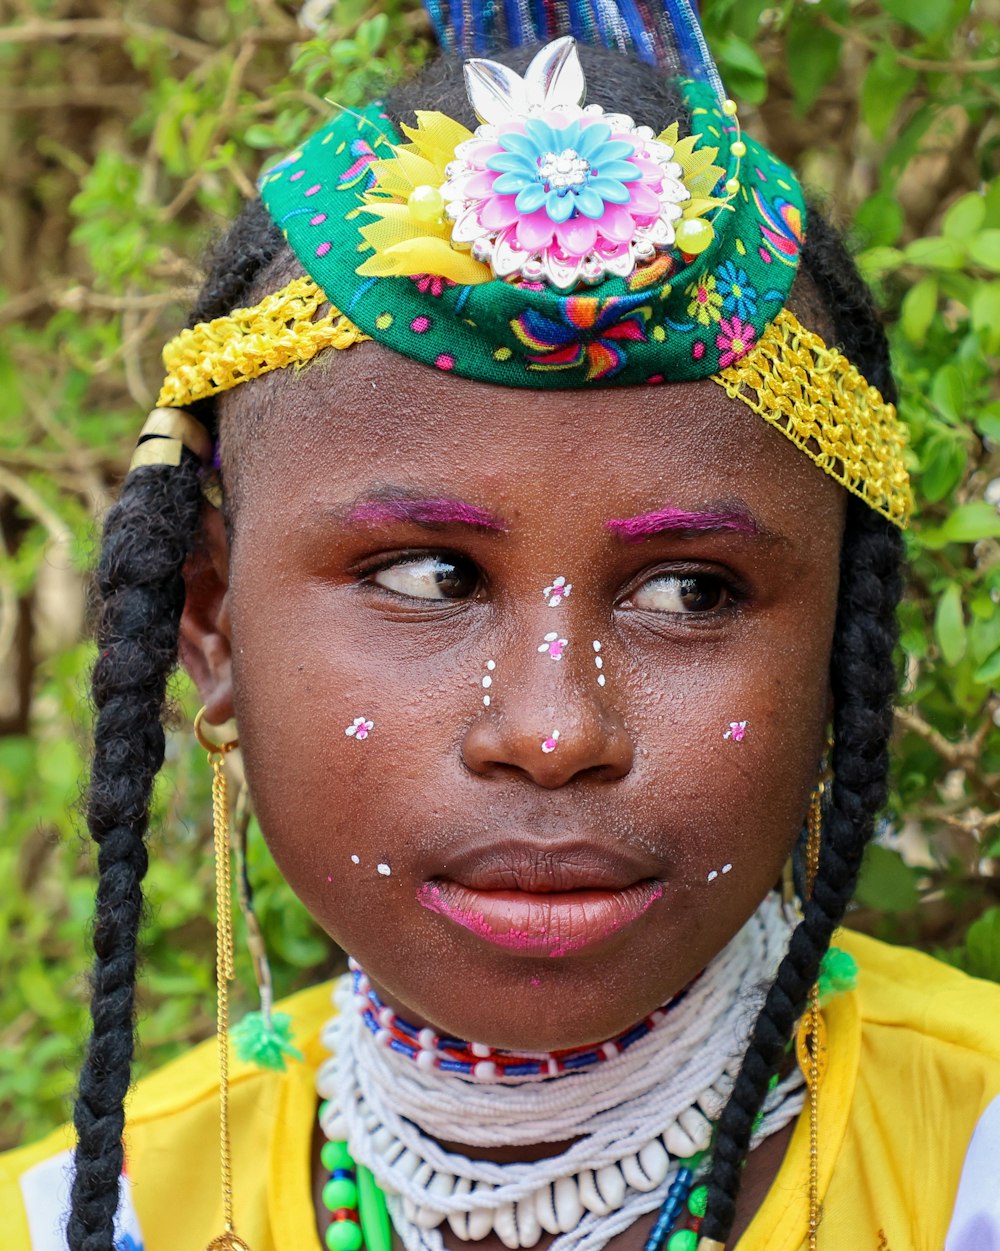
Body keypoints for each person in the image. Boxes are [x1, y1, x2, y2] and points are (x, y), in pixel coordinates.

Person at [3, 5, 1000, 1250]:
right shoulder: (67, 1221)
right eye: (427, 578)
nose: (549, 732)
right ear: (211, 625)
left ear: (844, 646)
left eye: (691, 591)